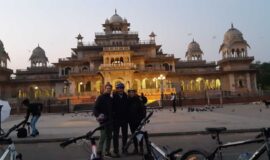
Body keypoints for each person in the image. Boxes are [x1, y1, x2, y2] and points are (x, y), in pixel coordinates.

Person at [93, 83, 113, 158]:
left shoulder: (111, 99)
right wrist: (98, 115)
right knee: (103, 136)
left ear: (111, 90)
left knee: (109, 136)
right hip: (103, 121)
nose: (108, 90)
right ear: (105, 89)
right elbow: (95, 108)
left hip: (110, 121)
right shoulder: (100, 97)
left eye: (109, 89)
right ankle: (99, 151)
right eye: (107, 88)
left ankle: (107, 151)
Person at [112, 83, 129, 157]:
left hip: (124, 119)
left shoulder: (126, 96)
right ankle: (116, 150)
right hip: (116, 120)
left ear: (123, 89)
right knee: (115, 136)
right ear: (117, 89)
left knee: (125, 135)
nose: (120, 89)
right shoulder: (113, 97)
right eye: (118, 88)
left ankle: (124, 149)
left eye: (121, 88)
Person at [127, 89, 146, 154]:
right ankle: (136, 148)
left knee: (139, 134)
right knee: (133, 135)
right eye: (130, 92)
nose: (131, 93)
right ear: (129, 94)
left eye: (133, 92)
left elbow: (143, 109)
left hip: (138, 120)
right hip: (131, 120)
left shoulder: (138, 100)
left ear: (135, 93)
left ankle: (141, 148)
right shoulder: (128, 100)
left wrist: (143, 118)